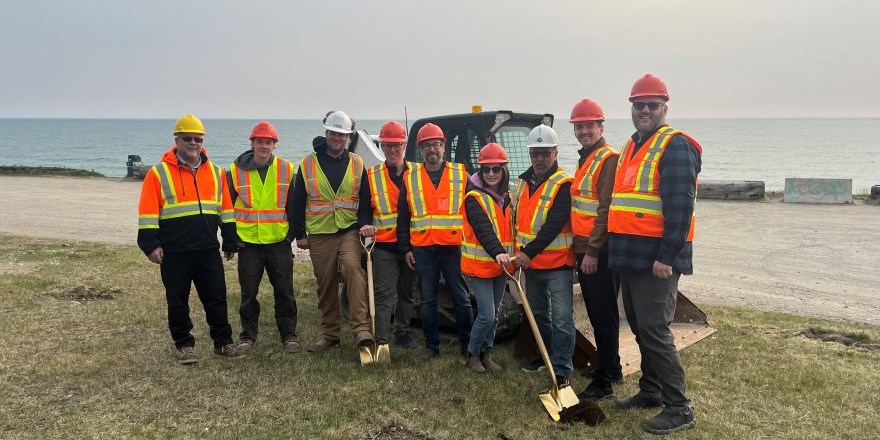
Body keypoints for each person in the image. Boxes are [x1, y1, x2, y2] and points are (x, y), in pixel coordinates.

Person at [608, 74, 702, 435]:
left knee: (655, 330)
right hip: (630, 258)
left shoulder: (675, 146)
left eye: (652, 104)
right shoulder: (632, 145)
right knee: (639, 328)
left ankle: (679, 408)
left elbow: (680, 208)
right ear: (631, 107)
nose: (645, 110)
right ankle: (650, 391)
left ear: (665, 106)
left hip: (655, 262)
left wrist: (667, 256)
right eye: (638, 104)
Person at [137, 114, 242, 364]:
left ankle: (223, 342)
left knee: (216, 298)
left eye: (197, 138)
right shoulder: (158, 173)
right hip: (175, 252)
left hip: (207, 249)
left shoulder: (216, 173)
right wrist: (150, 244)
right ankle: (184, 345)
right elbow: (148, 211)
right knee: (177, 300)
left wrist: (229, 240)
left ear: (203, 140)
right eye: (187, 138)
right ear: (177, 139)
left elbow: (226, 209)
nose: (193, 143)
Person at [288, 111, 373, 354]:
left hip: (349, 230)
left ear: (348, 137)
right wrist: (300, 234)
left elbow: (364, 200)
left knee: (353, 271)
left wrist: (365, 223)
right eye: (333, 133)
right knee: (325, 285)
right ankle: (330, 335)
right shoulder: (307, 164)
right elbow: (298, 201)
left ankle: (361, 330)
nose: (337, 138)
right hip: (319, 233)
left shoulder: (357, 163)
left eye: (342, 134)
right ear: (326, 133)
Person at [397, 123, 473, 360]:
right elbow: (403, 216)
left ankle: (467, 344)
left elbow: (475, 212)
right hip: (423, 249)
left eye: (436, 144)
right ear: (420, 149)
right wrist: (405, 248)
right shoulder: (410, 178)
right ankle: (432, 346)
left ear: (443, 147)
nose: (432, 149)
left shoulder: (461, 174)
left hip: (453, 249)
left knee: (461, 298)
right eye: (427, 145)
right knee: (428, 300)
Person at [568, 99, 624, 400]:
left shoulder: (607, 159)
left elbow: (605, 210)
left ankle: (604, 382)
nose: (584, 130)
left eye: (589, 125)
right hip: (586, 247)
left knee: (603, 316)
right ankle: (611, 367)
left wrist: (591, 251)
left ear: (601, 127)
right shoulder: (586, 158)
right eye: (579, 126)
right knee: (598, 312)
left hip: (598, 251)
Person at [228, 121, 299, 356]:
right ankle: (247, 336)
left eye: (268, 142)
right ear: (252, 143)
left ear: (274, 145)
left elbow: (295, 206)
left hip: (278, 242)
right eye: (259, 141)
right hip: (248, 243)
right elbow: (225, 206)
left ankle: (288, 335)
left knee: (285, 292)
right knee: (248, 294)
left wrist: (290, 236)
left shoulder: (287, 169)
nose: (264, 146)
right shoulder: (235, 171)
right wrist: (231, 237)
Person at [513, 124, 576, 387]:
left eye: (545, 153)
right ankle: (544, 357)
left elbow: (554, 225)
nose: (539, 159)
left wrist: (527, 253)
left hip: (558, 264)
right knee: (539, 315)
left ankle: (561, 369)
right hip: (532, 265)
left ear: (555, 153)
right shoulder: (522, 183)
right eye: (535, 153)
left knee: (562, 319)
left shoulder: (563, 184)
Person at [358, 121, 420, 350]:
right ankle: (381, 338)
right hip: (383, 246)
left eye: (397, 146)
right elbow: (365, 207)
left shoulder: (417, 173)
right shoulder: (372, 175)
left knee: (406, 293)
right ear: (381, 147)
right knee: (384, 294)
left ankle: (402, 333)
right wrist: (365, 224)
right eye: (387, 146)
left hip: (412, 246)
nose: (392, 150)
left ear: (404, 145)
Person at [461, 143, 513, 373]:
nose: (491, 174)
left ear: (504, 170)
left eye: (496, 169)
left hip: (502, 265)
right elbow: (483, 229)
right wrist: (497, 252)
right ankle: (472, 355)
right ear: (480, 171)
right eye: (486, 169)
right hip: (482, 264)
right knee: (487, 314)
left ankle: (487, 353)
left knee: (496, 310)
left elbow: (512, 228)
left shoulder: (507, 197)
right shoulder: (473, 197)